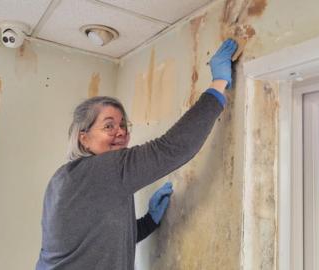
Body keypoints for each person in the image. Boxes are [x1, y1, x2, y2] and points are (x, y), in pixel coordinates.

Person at [36, 39, 238, 270]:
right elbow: (172, 148)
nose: (120, 132)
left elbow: (103, 241)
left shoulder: (64, 177)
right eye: (109, 126)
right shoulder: (102, 170)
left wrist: (149, 221)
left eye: (124, 125)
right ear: (84, 137)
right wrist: (218, 84)